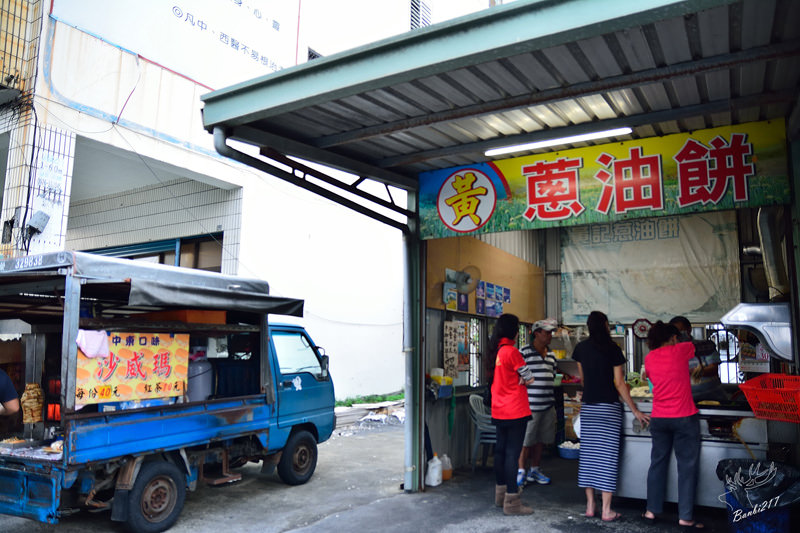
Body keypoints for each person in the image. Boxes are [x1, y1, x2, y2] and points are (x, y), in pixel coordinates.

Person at [572, 311, 649, 522]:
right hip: (608, 409)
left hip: (589, 407)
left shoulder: (580, 349)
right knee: (607, 458)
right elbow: (619, 383)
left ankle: (590, 506)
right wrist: (634, 410)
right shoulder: (613, 350)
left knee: (588, 456)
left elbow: (584, 381)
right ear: (605, 325)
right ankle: (606, 510)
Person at [642, 321, 704, 530]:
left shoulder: (649, 358)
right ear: (672, 337)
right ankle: (685, 517)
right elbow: (709, 347)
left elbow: (653, 378)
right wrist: (684, 337)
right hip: (684, 416)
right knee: (686, 467)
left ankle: (651, 511)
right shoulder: (681, 349)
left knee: (657, 463)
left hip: (659, 418)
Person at [486, 313, 535, 515]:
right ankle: (513, 502)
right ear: (514, 331)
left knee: (500, 451)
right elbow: (529, 377)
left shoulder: (495, 351)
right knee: (512, 454)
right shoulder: (512, 352)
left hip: (499, 409)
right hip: (515, 409)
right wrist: (523, 380)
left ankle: (500, 495)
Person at [517, 318, 558, 487]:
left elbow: (553, 376)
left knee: (541, 439)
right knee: (526, 441)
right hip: (529, 406)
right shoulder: (524, 353)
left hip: (548, 405)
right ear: (537, 333)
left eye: (551, 333)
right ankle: (521, 472)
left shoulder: (552, 355)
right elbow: (518, 377)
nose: (550, 336)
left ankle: (535, 469)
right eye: (547, 333)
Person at [668, 316, 727, 402]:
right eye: (675, 332)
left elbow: (714, 369)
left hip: (714, 398)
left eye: (681, 331)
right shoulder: (669, 352)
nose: (679, 335)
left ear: (689, 329)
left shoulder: (705, 346)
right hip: (686, 401)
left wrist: (695, 372)